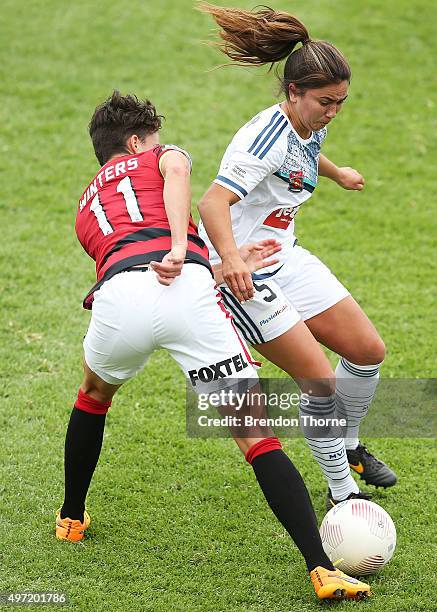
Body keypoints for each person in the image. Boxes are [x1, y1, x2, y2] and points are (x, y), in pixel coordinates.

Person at [55, 91, 371, 601]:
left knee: (92, 395)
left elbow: (131, 245)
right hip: (187, 295)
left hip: (119, 302)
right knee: (256, 436)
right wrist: (184, 250)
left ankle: (71, 516)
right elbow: (178, 182)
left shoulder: (86, 205)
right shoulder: (163, 156)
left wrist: (223, 255)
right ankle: (322, 568)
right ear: (136, 143)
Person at [197, 3, 397, 510]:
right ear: (293, 92)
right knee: (319, 380)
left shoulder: (312, 120)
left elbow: (306, 149)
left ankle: (348, 447)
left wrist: (336, 172)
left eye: (341, 103)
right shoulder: (261, 140)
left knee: (368, 351)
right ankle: (341, 492)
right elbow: (212, 202)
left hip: (283, 254)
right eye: (325, 102)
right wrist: (233, 262)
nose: (333, 112)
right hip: (240, 269)